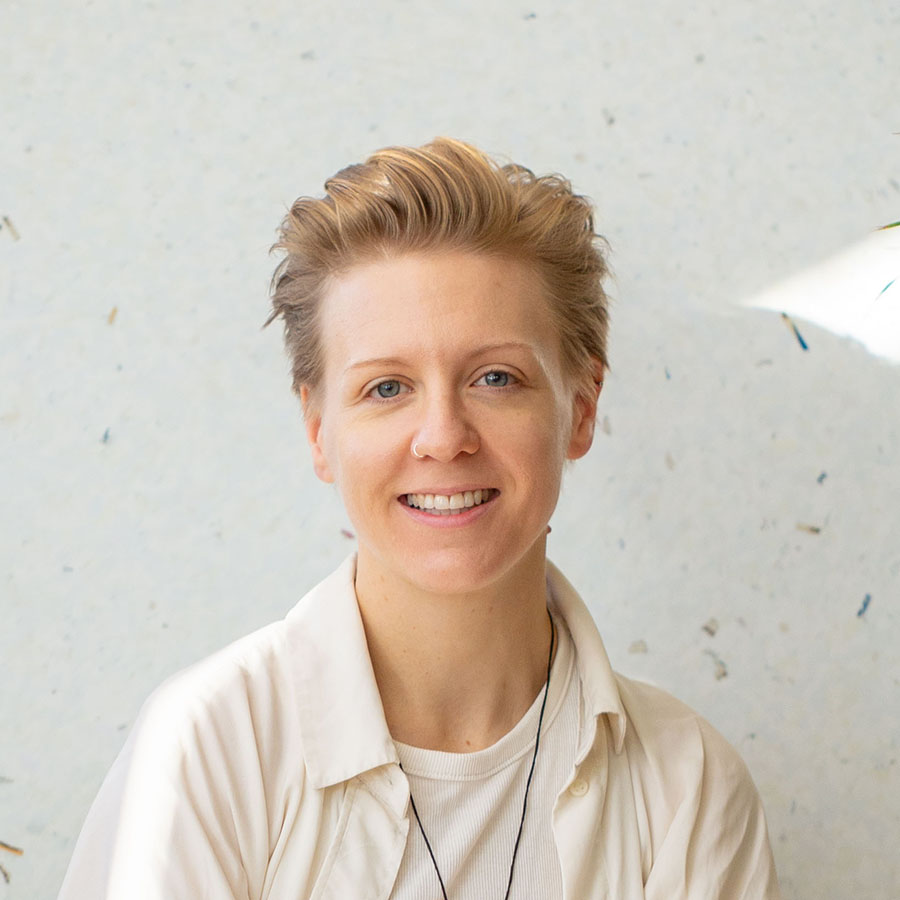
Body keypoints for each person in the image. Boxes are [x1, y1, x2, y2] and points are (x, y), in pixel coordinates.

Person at [59, 138, 781, 899]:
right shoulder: (210, 748)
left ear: (581, 408)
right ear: (318, 431)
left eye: (495, 378)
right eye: (386, 388)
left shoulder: (688, 786)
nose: (443, 437)